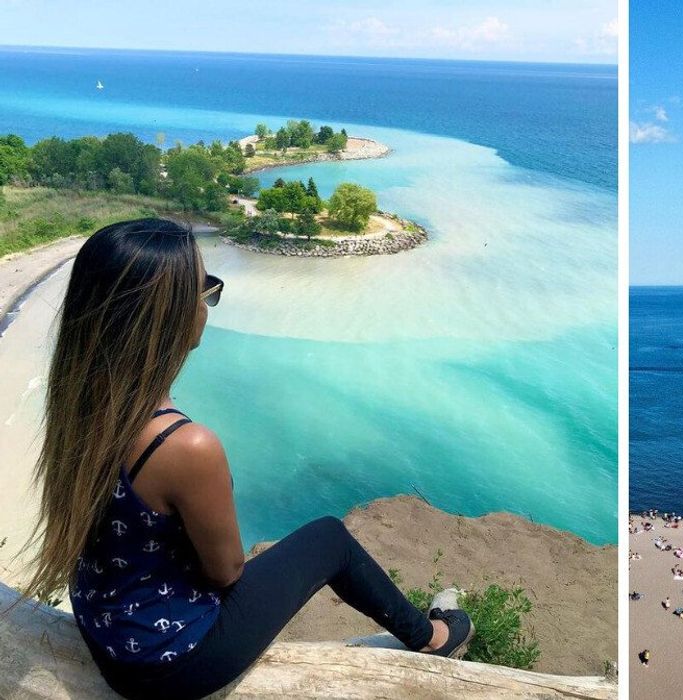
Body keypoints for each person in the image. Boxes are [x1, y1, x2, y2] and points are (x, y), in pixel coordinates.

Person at [18, 220, 473, 700]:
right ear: (171, 316)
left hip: (103, 625)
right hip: (167, 667)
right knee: (328, 540)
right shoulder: (186, 446)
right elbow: (225, 571)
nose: (206, 305)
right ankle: (431, 639)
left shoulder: (80, 405)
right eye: (204, 292)